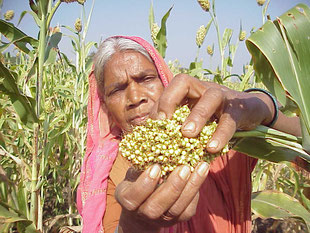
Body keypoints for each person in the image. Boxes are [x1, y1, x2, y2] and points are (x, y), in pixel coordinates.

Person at [76, 36, 301, 233]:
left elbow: (304, 138)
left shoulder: (217, 134)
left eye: (145, 79)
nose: (135, 97)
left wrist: (261, 107)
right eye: (117, 89)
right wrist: (135, 225)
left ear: (165, 82)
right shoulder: (107, 174)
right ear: (105, 106)